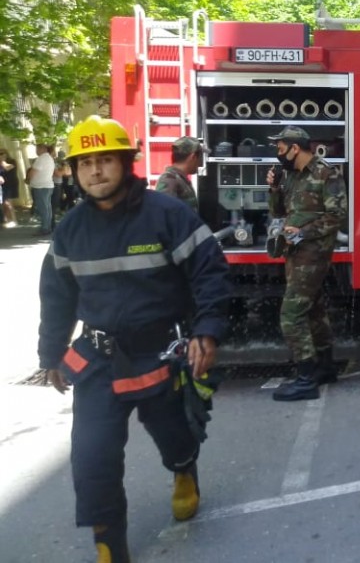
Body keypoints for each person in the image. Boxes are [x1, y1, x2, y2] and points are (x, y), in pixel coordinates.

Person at [37, 115, 231, 563]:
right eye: (86, 164)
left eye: (105, 160)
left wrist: (207, 329)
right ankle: (109, 544)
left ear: (126, 163)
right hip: (98, 360)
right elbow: (56, 298)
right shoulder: (70, 230)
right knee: (92, 458)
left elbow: (209, 271)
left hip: (159, 351)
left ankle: (184, 469)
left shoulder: (167, 214)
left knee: (173, 433)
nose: (96, 172)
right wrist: (50, 355)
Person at [265, 126, 347, 401]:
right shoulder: (290, 175)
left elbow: (337, 216)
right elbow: (278, 212)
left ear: (294, 148)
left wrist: (303, 233)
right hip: (295, 253)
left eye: (280, 149)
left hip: (313, 254)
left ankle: (305, 378)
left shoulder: (326, 172)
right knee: (313, 310)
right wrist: (274, 188)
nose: (278, 155)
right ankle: (324, 367)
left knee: (291, 314)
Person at [155, 136, 203, 211]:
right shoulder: (169, 180)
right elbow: (163, 215)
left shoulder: (180, 179)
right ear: (193, 157)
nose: (200, 163)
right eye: (200, 158)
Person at [28, 142, 56, 235]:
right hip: (47, 185)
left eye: (37, 149)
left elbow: (33, 172)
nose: (36, 151)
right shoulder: (49, 158)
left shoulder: (41, 159)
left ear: (42, 149)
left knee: (43, 208)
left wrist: (28, 179)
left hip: (40, 186)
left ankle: (45, 228)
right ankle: (48, 226)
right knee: (47, 208)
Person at [0, 154, 19, 227]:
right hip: (3, 185)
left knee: (8, 203)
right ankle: (6, 219)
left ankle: (14, 220)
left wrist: (2, 161)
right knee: (4, 203)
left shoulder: (11, 163)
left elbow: (8, 168)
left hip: (9, 185)